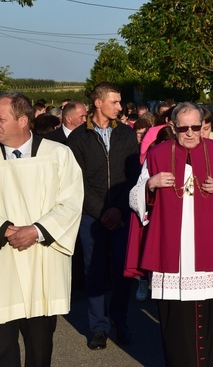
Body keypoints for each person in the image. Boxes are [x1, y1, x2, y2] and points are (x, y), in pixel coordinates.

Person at [125, 102, 213, 366]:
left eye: (197, 127)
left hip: (211, 254)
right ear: (173, 127)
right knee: (177, 327)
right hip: (173, 257)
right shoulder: (157, 155)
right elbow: (134, 197)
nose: (191, 133)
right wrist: (150, 183)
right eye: (184, 128)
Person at [0, 92, 84, 367]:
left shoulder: (58, 154)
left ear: (23, 120)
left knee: (39, 350)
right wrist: (4, 229)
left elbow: (72, 202)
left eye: (1, 119)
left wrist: (36, 230)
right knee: (2, 348)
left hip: (43, 260)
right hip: (4, 261)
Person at [67, 82, 140, 350]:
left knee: (123, 271)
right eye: (115, 102)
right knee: (94, 272)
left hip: (121, 213)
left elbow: (133, 176)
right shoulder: (78, 138)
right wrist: (102, 212)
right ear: (98, 103)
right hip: (91, 216)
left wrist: (118, 209)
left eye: (120, 102)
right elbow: (76, 182)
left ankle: (121, 321)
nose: (120, 107)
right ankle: (99, 327)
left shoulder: (126, 134)